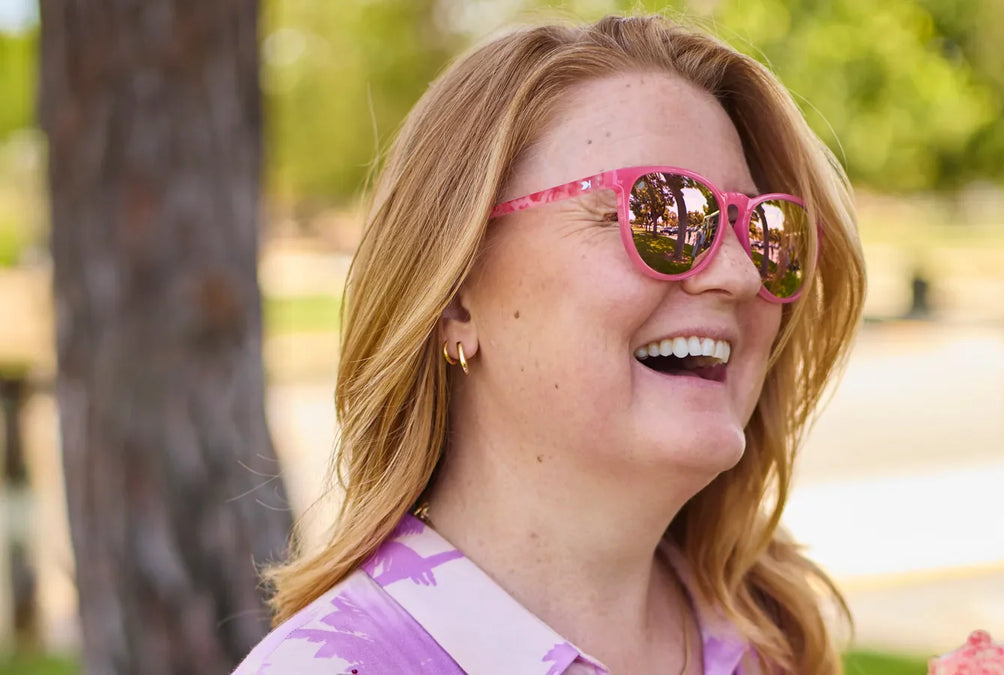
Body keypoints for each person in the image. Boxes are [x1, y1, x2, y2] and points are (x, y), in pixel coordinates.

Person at [235, 14, 865, 675]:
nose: (739, 273)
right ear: (456, 295)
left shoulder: (774, 645)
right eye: (659, 212)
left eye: (762, 228)